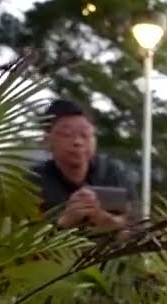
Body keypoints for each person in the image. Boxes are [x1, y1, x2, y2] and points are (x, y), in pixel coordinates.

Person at [33, 98, 135, 232]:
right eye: (67, 134)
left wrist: (109, 222)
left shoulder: (113, 173)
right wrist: (65, 222)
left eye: (85, 134)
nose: (78, 142)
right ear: (47, 140)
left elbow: (137, 226)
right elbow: (21, 238)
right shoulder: (32, 183)